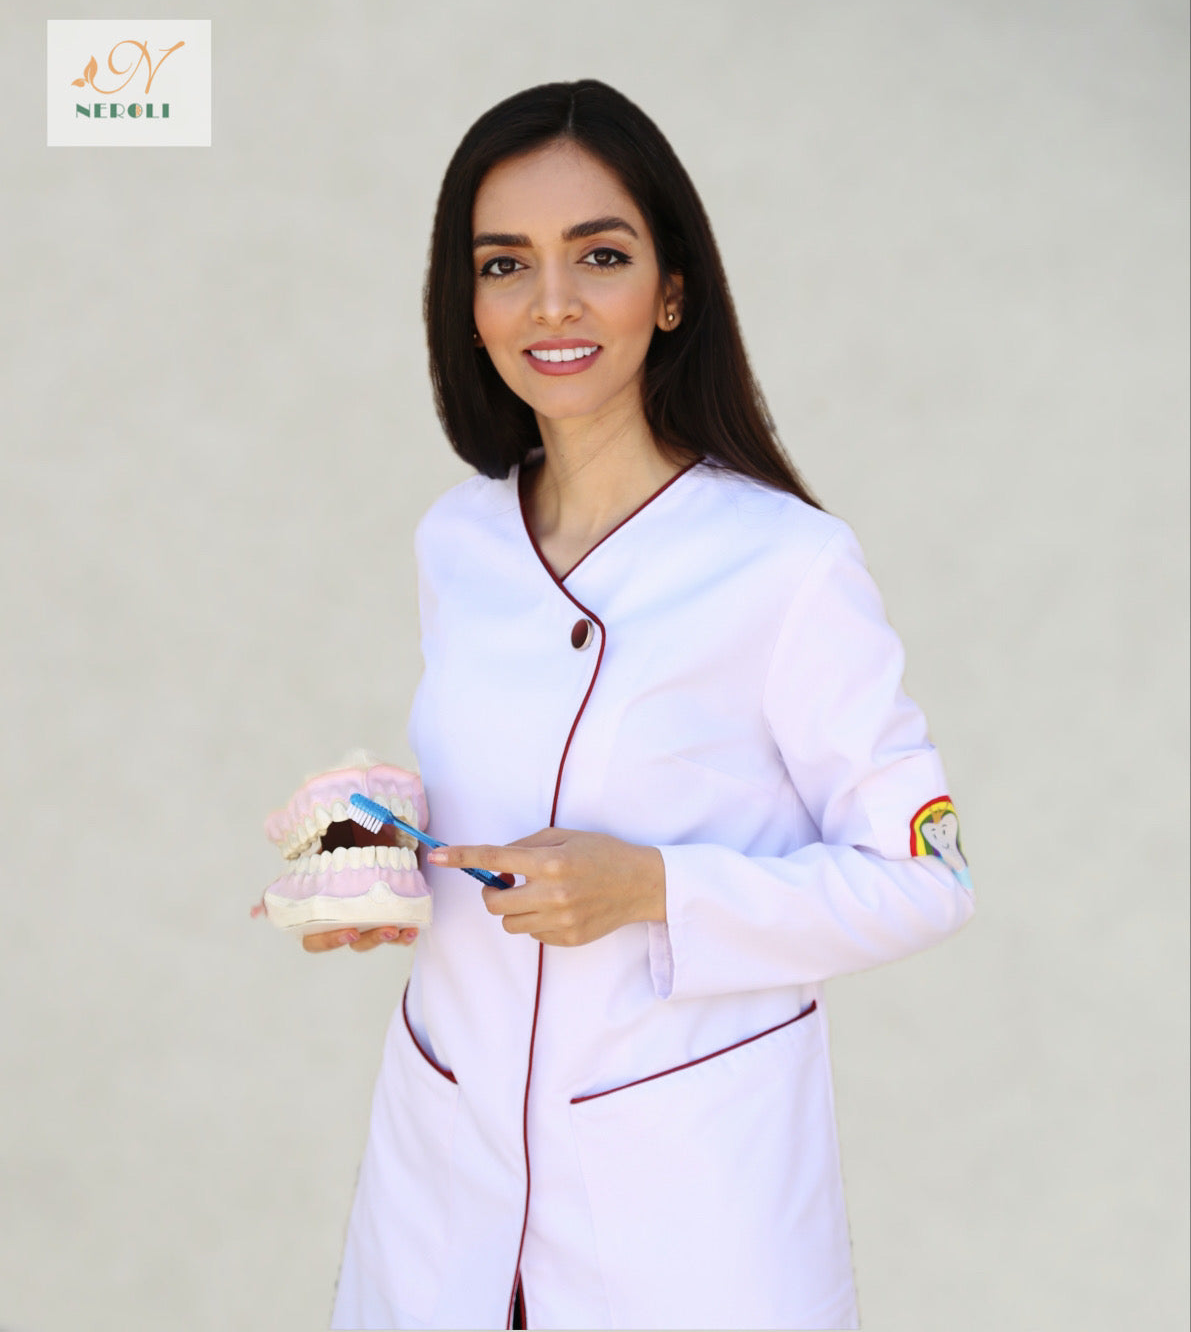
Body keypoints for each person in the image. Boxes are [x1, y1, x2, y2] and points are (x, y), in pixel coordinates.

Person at [305, 78, 976, 1331]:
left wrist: (658, 887)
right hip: (444, 1189)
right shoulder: (457, 539)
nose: (550, 303)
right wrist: (389, 866)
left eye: (598, 255)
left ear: (671, 291)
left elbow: (927, 875)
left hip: (683, 1215)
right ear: (469, 301)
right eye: (505, 263)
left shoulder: (785, 564)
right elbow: (508, 819)